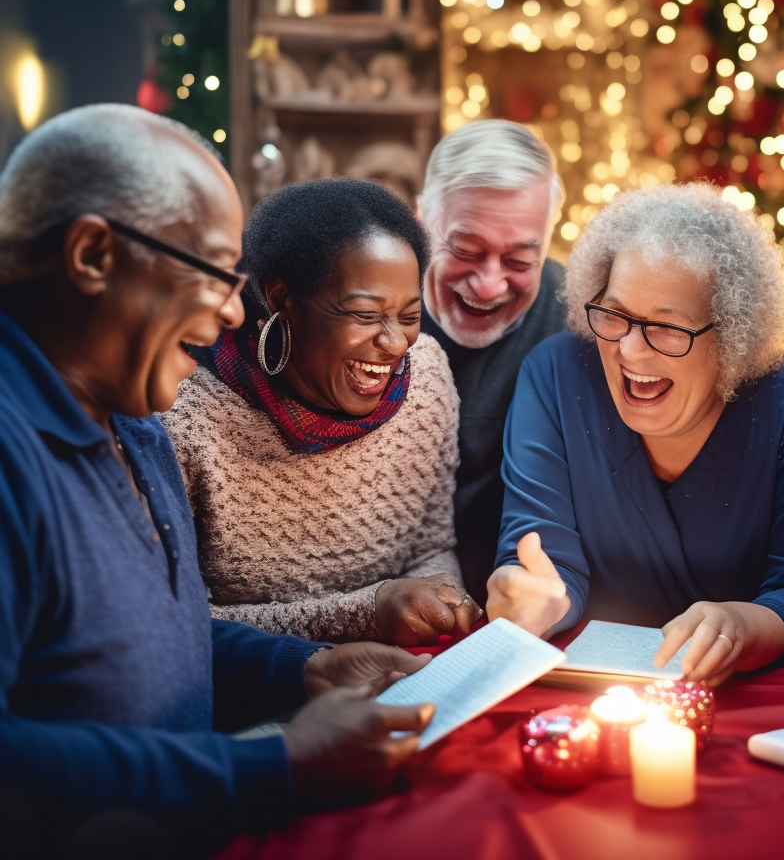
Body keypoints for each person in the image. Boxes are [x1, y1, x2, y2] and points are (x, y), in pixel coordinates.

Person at [0, 105, 434, 854]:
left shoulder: (135, 419)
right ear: (94, 255)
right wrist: (277, 765)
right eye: (210, 271)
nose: (235, 309)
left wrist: (305, 671)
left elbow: (158, 642)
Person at [487, 183, 784, 685]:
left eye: (667, 328)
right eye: (615, 314)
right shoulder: (557, 374)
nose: (630, 351)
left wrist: (740, 625)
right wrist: (532, 598)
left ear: (734, 335)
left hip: (747, 699)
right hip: (586, 690)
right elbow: (542, 560)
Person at [163, 178, 481, 646]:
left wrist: (442, 602)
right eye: (365, 315)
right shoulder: (187, 414)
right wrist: (367, 614)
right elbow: (182, 621)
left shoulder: (427, 375)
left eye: (410, 316)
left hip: (403, 679)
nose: (395, 344)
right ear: (281, 299)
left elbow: (431, 547)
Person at [418, 120, 568, 604]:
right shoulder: (362, 304)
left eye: (521, 261)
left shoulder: (578, 323)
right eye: (464, 250)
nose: (488, 285)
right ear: (421, 221)